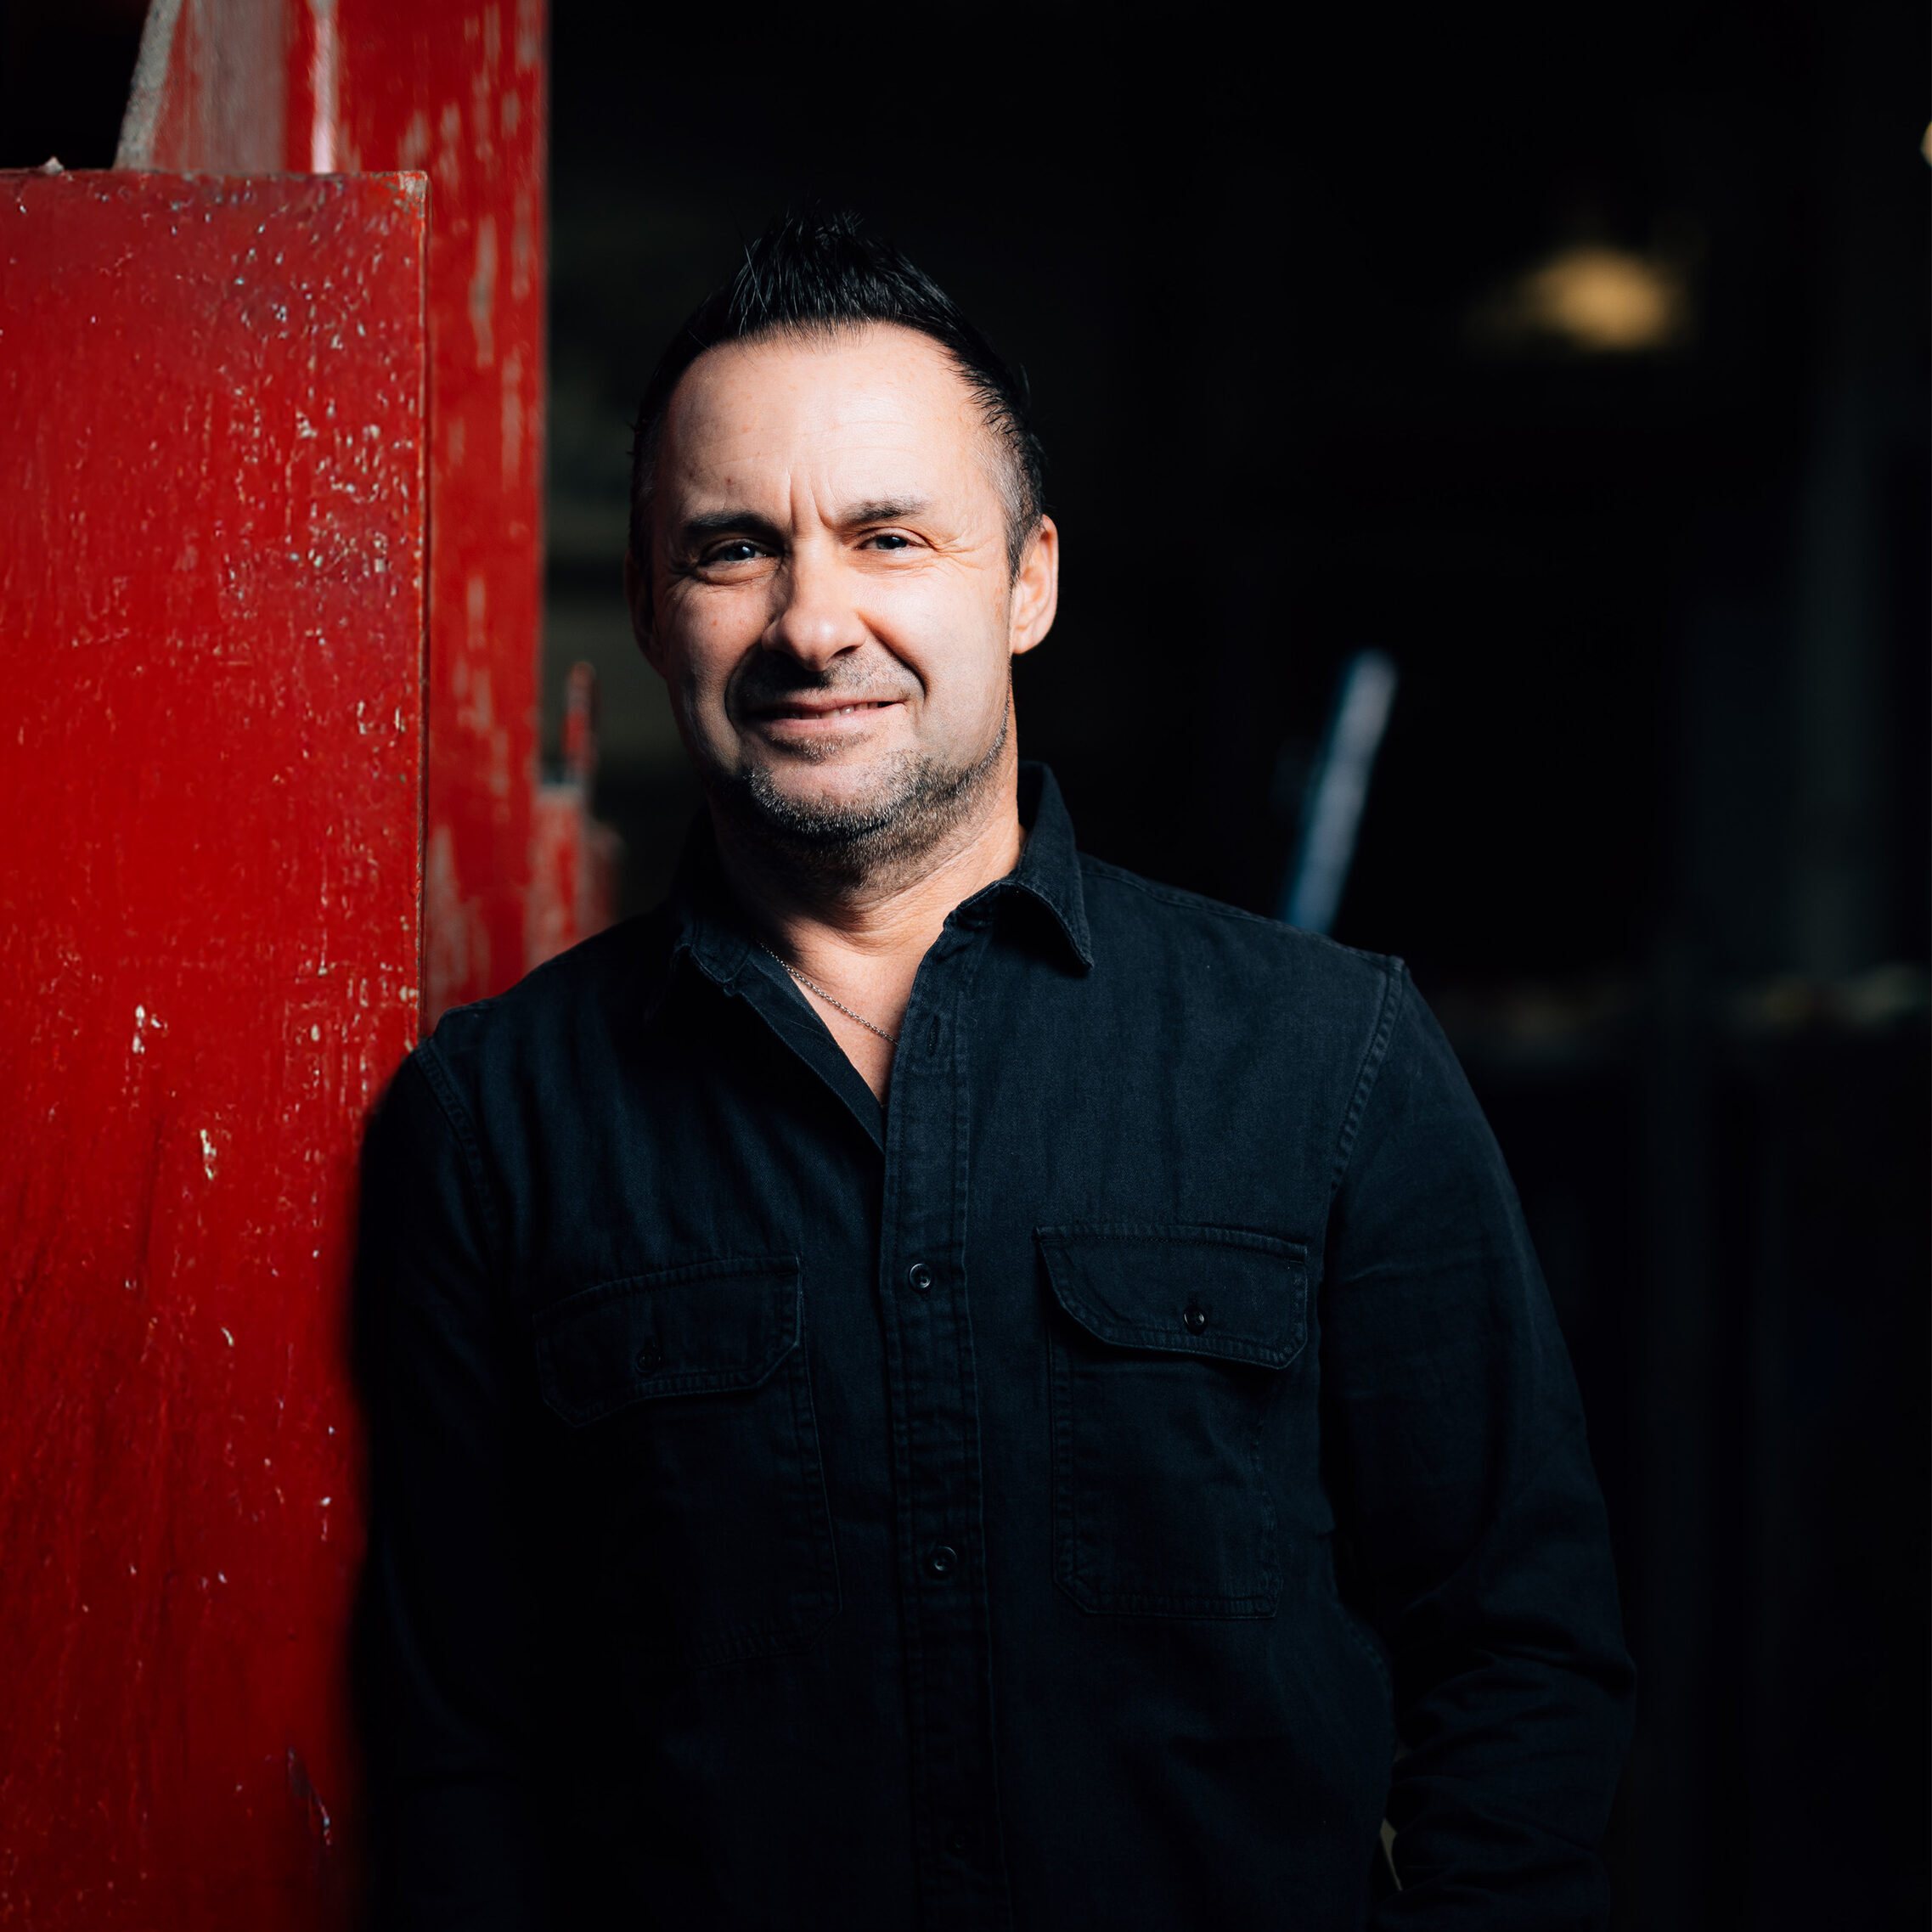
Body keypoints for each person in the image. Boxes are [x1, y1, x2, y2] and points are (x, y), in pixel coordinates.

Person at [358, 209, 1634, 1931]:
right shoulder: (492, 1122)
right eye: (733, 549)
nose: (814, 623)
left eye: (889, 536)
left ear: (1025, 580)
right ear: (653, 609)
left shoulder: (1331, 1059)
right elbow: (463, 1750)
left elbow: (1517, 1655)